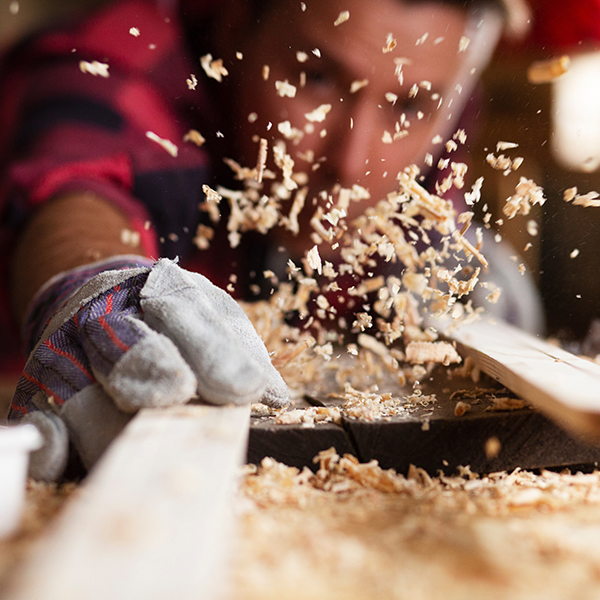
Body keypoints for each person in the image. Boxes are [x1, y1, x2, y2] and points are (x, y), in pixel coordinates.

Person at [0, 0, 540, 479]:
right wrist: (90, 284)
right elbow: (78, 186)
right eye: (317, 78)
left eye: (409, 108)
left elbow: (436, 213)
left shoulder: (433, 78)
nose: (350, 164)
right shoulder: (121, 55)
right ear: (238, 21)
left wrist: (461, 280)